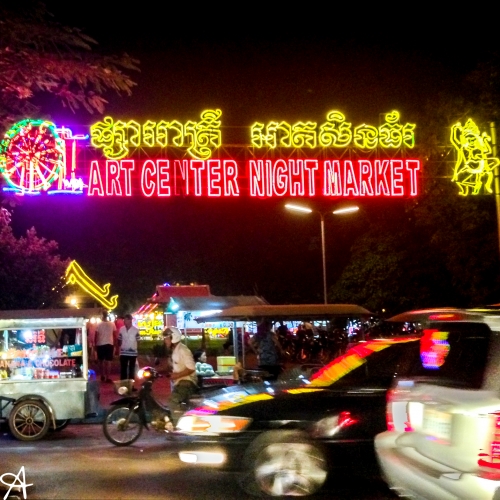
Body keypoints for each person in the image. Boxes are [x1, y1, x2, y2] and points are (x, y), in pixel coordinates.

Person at [163, 327, 198, 426]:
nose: (165, 341)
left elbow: (191, 368)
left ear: (173, 338)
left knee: (172, 401)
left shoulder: (183, 350)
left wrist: (176, 375)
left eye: (167, 338)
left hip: (187, 382)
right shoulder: (174, 350)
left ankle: (179, 426)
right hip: (180, 382)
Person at [117, 314, 140, 386]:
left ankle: (131, 385)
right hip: (123, 352)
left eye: (126, 320)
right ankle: (123, 385)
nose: (124, 321)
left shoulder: (135, 330)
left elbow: (138, 340)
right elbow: (119, 340)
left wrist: (135, 348)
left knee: (131, 369)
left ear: (130, 320)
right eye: (124, 320)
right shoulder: (121, 329)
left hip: (132, 353)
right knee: (123, 369)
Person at [95, 311, 117, 383]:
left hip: (100, 343)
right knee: (108, 361)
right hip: (109, 343)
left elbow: (96, 335)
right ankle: (108, 377)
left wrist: (95, 344)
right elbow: (115, 334)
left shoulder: (99, 324)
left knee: (101, 361)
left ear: (102, 316)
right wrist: (115, 344)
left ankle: (102, 375)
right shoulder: (112, 324)